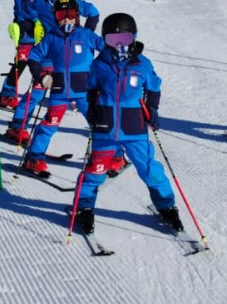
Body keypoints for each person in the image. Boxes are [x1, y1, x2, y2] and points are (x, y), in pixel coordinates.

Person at [74, 13, 182, 235]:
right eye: (114, 40)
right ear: (105, 40)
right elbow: (91, 88)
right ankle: (84, 207)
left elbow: (153, 87)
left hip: (134, 128)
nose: (120, 45)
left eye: (125, 38)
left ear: (134, 37)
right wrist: (93, 109)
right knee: (95, 171)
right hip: (105, 128)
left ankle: (166, 205)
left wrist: (152, 109)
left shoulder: (142, 64)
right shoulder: (99, 64)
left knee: (150, 170)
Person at [6, 0, 100, 142]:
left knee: (85, 98)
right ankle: (18, 127)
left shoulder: (73, 1)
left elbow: (94, 12)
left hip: (71, 57)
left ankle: (105, 138)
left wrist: (86, 34)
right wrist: (26, 24)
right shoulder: (38, 1)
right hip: (49, 53)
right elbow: (24, 13)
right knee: (37, 92)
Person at [21, 0, 105, 177]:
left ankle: (111, 157)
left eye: (71, 14)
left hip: (85, 93)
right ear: (55, 16)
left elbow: (108, 51)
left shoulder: (86, 35)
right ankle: (34, 158)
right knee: (49, 124)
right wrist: (42, 76)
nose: (66, 18)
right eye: (61, 14)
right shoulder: (51, 37)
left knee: (100, 124)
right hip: (59, 92)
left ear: (77, 16)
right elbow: (34, 57)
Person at [0, 0, 41, 109]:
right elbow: (18, 11)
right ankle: (7, 96)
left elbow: (43, 12)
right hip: (24, 34)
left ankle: (41, 99)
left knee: (41, 68)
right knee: (19, 65)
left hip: (39, 35)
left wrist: (37, 23)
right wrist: (15, 24)